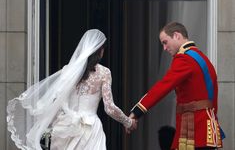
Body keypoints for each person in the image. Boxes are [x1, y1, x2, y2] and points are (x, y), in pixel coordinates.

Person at [7, 29, 137, 150]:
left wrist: (49, 125)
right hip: (90, 129)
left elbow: (56, 101)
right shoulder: (104, 73)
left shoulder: (68, 71)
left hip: (66, 127)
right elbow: (109, 108)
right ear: (100, 50)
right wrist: (128, 122)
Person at [128, 22, 225, 150]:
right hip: (207, 129)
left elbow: (163, 86)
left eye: (165, 42)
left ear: (176, 35)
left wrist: (137, 111)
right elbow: (212, 100)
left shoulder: (184, 59)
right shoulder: (202, 58)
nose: (164, 48)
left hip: (194, 129)